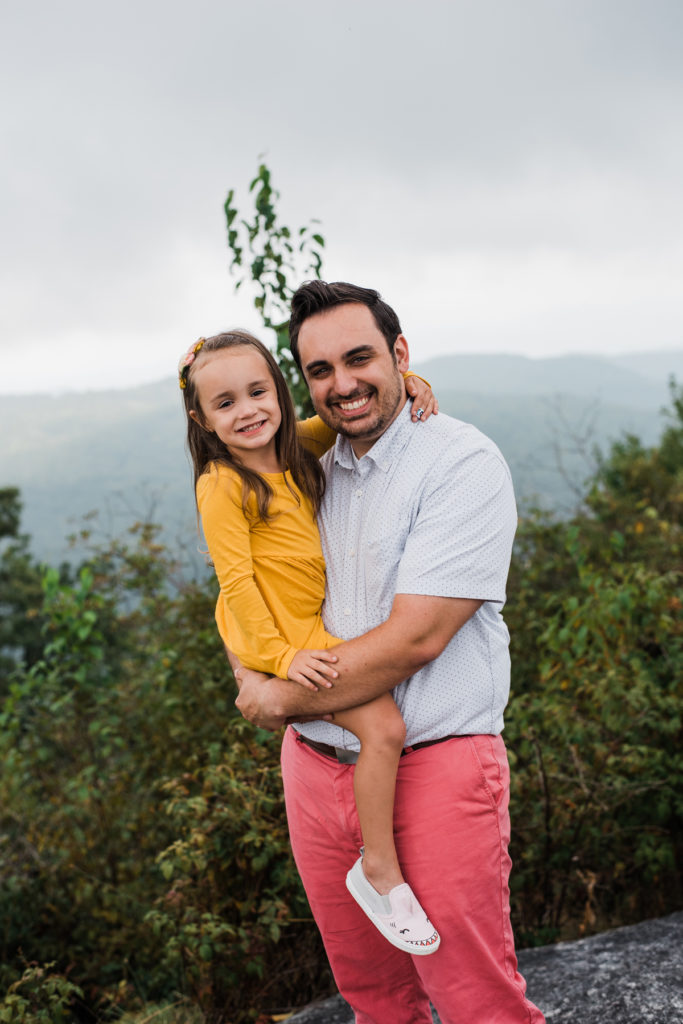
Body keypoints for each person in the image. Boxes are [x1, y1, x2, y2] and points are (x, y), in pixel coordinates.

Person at [234, 283, 546, 1024]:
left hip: (435, 763)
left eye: (359, 358)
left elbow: (418, 638)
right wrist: (245, 666)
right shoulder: (297, 467)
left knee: (475, 1001)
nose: (341, 384)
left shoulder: (459, 463)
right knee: (373, 998)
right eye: (318, 370)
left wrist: (278, 697)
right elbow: (248, 581)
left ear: (400, 355)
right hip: (314, 771)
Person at [178, 329, 441, 955]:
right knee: (383, 729)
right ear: (203, 420)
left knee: (379, 729)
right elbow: (235, 583)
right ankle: (378, 870)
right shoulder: (222, 483)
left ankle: (376, 862)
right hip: (287, 639)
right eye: (225, 404)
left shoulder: (295, 451)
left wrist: (409, 385)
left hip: (307, 630)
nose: (248, 411)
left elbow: (342, 422)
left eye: (258, 391)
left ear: (279, 389)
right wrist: (279, 660)